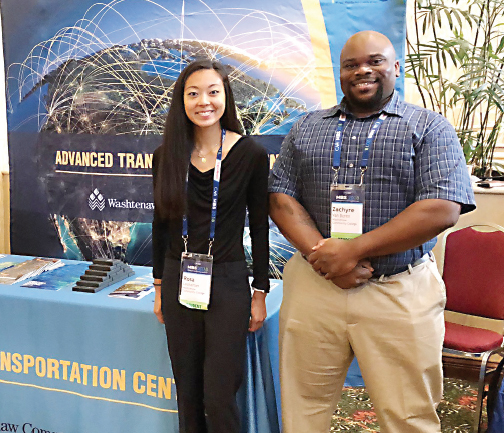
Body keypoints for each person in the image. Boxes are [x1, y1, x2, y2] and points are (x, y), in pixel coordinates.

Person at [269, 31, 476, 433]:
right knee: (302, 408)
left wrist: (353, 250)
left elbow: (442, 207)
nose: (363, 70)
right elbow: (280, 197)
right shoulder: (306, 128)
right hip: (315, 286)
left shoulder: (430, 128)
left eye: (375, 61)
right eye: (351, 64)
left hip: (399, 290)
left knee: (409, 416)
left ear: (395, 67)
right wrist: (326, 256)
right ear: (341, 73)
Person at [152, 59, 270, 433]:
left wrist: (260, 292)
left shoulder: (249, 154)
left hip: (228, 282)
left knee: (218, 398)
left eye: (213, 92)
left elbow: (260, 224)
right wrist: (158, 288)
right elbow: (161, 225)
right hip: (178, 279)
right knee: (186, 393)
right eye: (193, 93)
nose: (204, 101)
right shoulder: (166, 155)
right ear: (181, 101)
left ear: (225, 97)